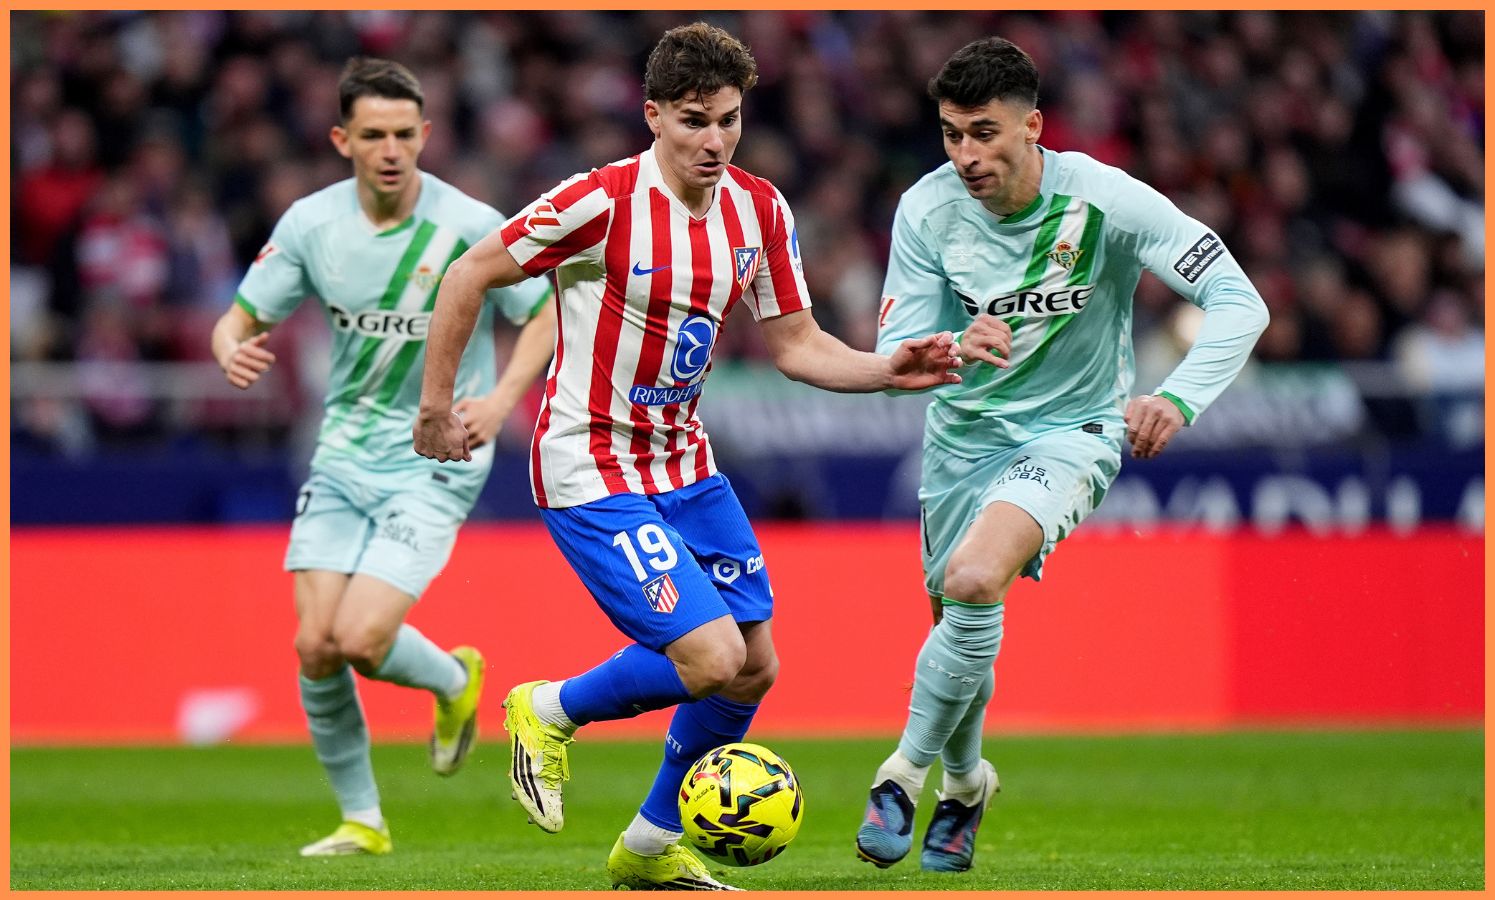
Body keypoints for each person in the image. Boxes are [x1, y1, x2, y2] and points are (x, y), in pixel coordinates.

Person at [413, 22, 961, 891]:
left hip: (684, 462)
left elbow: (796, 342)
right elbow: (466, 276)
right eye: (694, 121)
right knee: (707, 658)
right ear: (653, 115)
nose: (714, 141)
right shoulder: (599, 203)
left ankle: (646, 846)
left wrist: (888, 369)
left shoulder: (760, 210)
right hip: (589, 460)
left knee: (754, 666)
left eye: (729, 121)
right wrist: (438, 407)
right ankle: (547, 709)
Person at [856, 37, 1269, 874]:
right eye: (949, 135)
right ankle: (966, 785)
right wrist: (947, 342)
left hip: (1073, 432)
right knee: (958, 622)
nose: (965, 155)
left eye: (983, 133)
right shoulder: (925, 210)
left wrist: (1175, 395)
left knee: (973, 580)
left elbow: (1237, 299)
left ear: (1032, 127)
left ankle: (899, 775)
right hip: (960, 439)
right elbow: (894, 353)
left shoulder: (1106, 200)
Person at [210, 57, 556, 858]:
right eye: (373, 135)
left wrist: (502, 400)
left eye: (405, 134)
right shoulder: (310, 224)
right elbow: (238, 317)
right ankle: (362, 821)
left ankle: (452, 681)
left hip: (436, 457)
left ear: (426, 135)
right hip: (342, 452)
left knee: (362, 639)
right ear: (342, 140)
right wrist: (230, 350)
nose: (392, 149)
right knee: (313, 645)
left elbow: (539, 314)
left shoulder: (470, 224)